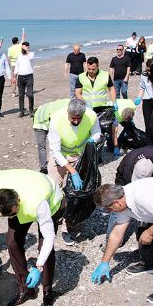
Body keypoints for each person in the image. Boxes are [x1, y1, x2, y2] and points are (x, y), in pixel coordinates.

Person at [0, 169, 64, 306]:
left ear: (18, 201)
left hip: (51, 203)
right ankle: (25, 289)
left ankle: (47, 290)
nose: (11, 217)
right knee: (12, 242)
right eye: (8, 216)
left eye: (13, 213)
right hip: (21, 195)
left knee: (44, 247)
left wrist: (38, 267)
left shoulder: (38, 203)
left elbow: (49, 236)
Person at [47, 98, 101, 244]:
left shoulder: (91, 115)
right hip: (60, 155)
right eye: (73, 118)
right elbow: (55, 150)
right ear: (68, 113)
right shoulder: (56, 120)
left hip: (80, 155)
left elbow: (97, 133)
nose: (76, 121)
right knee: (53, 188)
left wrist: (92, 140)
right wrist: (72, 171)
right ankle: (53, 216)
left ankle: (67, 225)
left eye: (79, 118)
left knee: (74, 192)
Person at [31, 98, 69, 174]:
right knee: (53, 143)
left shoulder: (66, 102)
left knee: (42, 146)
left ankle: (44, 168)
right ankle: (46, 167)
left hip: (39, 117)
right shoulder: (66, 108)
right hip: (40, 122)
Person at [13, 41, 35, 117]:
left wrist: (27, 50)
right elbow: (17, 66)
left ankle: (31, 110)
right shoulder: (19, 56)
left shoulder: (31, 54)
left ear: (28, 47)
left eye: (25, 47)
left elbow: (30, 57)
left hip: (29, 77)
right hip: (20, 77)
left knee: (30, 94)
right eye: (22, 47)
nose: (23, 48)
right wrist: (14, 77)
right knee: (21, 95)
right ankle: (21, 111)